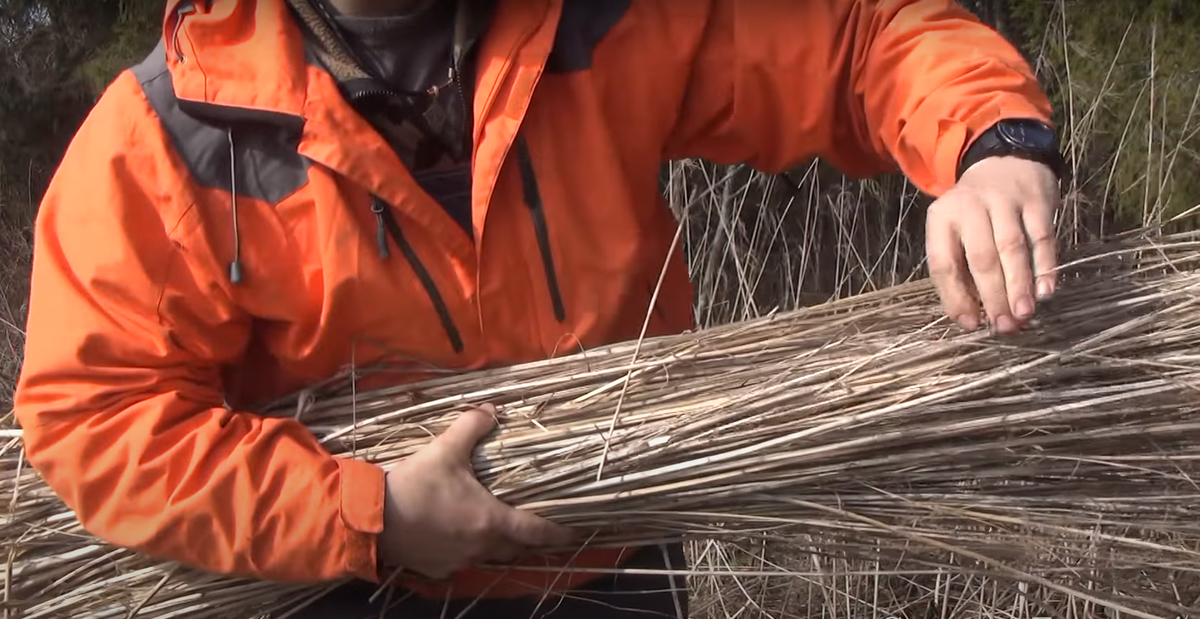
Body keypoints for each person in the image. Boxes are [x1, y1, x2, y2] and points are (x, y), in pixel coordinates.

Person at [13, 0, 1066, 617]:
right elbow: (95, 419)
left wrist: (991, 144)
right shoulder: (166, 135)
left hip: (612, 559)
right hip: (337, 586)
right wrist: (367, 515)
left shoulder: (602, 18)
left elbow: (856, 43)